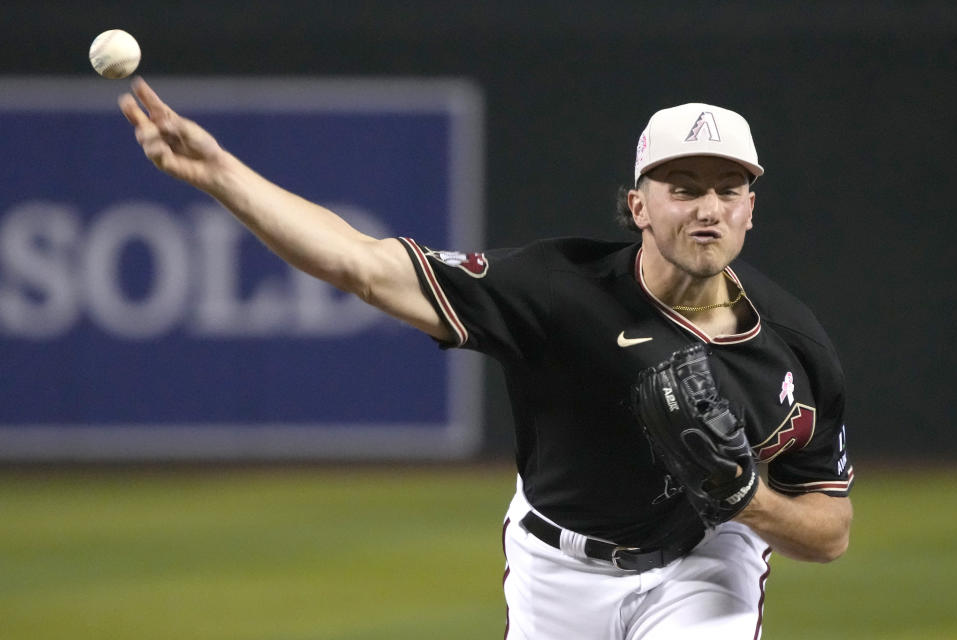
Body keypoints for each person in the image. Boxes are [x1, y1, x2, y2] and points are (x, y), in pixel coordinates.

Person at [119, 79, 853, 639]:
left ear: (751, 208)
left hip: (702, 561)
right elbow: (363, 266)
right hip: (559, 567)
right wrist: (221, 176)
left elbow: (831, 531)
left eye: (729, 190)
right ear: (638, 206)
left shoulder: (792, 348)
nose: (708, 208)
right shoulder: (557, 291)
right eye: (683, 187)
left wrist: (745, 501)